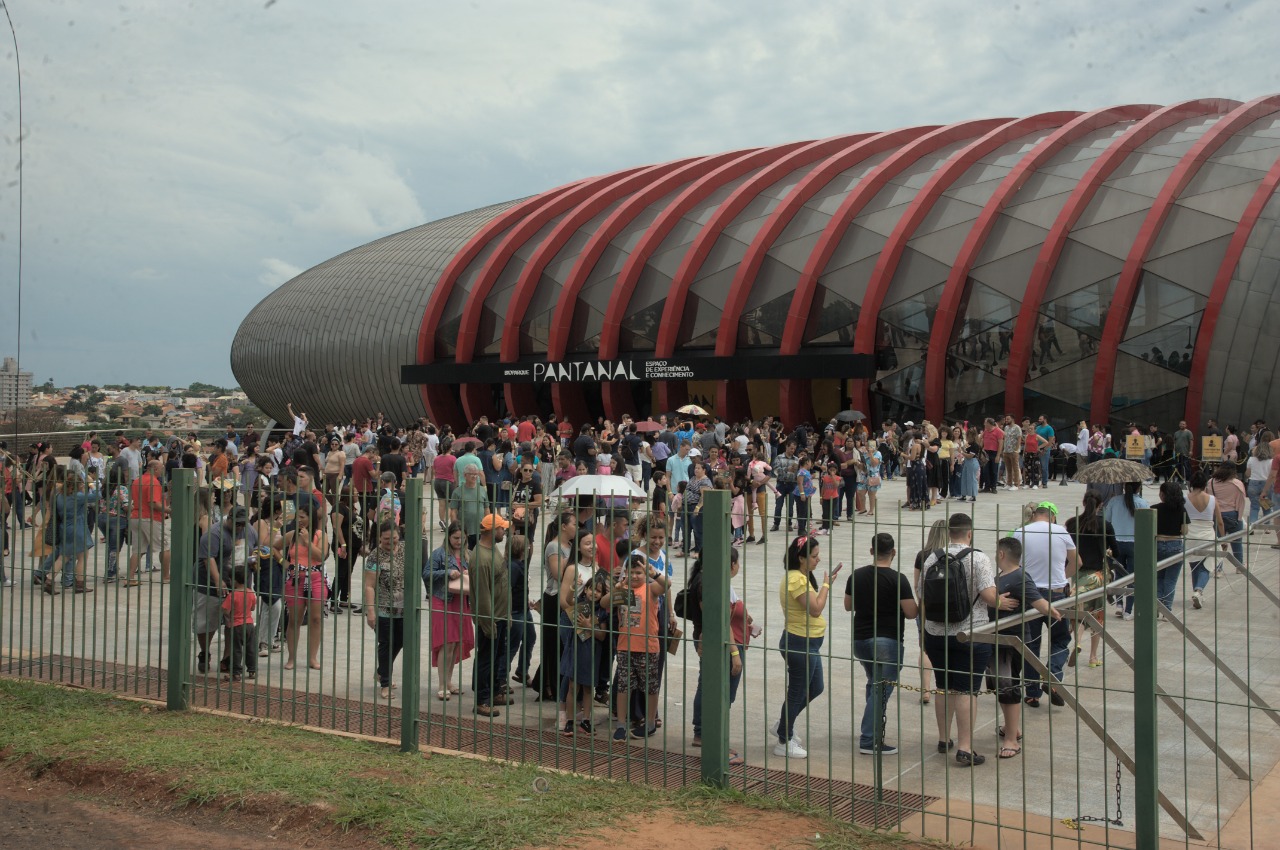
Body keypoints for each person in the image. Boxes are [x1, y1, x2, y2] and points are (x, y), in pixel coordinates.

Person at [918, 513, 1010, 766]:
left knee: (943, 684)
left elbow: (922, 597)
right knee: (968, 689)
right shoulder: (978, 558)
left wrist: (923, 634)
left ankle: (943, 738)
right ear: (969, 533)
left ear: (949, 532)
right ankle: (966, 747)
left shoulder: (931, 559)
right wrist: (1005, 602)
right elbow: (990, 597)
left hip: (935, 633)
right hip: (971, 634)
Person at [988, 537, 1062, 757]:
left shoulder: (1020, 576)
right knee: (1000, 686)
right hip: (997, 639)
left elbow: (1038, 602)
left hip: (1011, 641)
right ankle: (1012, 729)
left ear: (1001, 554)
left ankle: (1011, 740)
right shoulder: (1002, 576)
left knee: (1008, 687)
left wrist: (1057, 613)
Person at [844, 532, 916, 755]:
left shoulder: (856, 575)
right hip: (888, 641)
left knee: (874, 684)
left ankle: (873, 728)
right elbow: (911, 612)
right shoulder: (898, 579)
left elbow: (849, 606)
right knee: (881, 690)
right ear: (893, 552)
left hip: (861, 640)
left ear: (872, 551)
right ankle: (869, 740)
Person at [773, 535, 843, 760]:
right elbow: (815, 608)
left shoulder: (802, 577)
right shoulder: (796, 580)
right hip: (799, 642)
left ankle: (784, 724)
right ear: (801, 558)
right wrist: (825, 585)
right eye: (814, 556)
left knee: (816, 686)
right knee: (797, 691)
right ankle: (784, 739)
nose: (818, 560)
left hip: (809, 642)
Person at [1011, 502, 1078, 707]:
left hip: (1029, 593)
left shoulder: (1020, 532)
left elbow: (1014, 565)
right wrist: (1063, 579)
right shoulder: (1061, 532)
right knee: (1060, 639)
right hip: (1057, 594)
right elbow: (1077, 562)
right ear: (1052, 517)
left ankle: (1031, 693)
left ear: (1034, 516)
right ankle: (1053, 675)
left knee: (1030, 645)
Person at [689, 548, 751, 765]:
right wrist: (735, 653)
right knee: (721, 693)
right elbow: (718, 622)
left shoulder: (708, 578)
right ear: (730, 563)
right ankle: (714, 741)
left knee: (707, 686)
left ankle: (703, 734)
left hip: (717, 640)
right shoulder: (709, 582)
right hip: (720, 644)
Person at [612, 553, 671, 741]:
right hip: (625, 646)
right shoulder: (622, 589)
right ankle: (621, 724)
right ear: (625, 573)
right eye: (632, 572)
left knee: (650, 687)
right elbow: (605, 602)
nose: (635, 576)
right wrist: (616, 590)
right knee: (624, 687)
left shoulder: (651, 589)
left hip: (648, 646)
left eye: (639, 572)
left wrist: (652, 572)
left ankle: (651, 722)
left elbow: (666, 585)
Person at [1063, 490, 1115, 667]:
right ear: (1100, 505)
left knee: (1079, 610)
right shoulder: (1105, 525)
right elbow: (1115, 549)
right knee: (1097, 614)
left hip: (1077, 573)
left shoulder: (1071, 524)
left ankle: (1077, 641)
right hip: (1098, 574)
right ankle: (1093, 657)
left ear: (1084, 503)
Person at [424, 521, 474, 700]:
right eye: (455, 538)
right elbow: (427, 573)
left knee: (456, 643)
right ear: (448, 536)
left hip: (462, 602)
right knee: (447, 642)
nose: (459, 541)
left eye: (462, 538)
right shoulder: (439, 553)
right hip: (443, 601)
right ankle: (442, 684)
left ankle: (449, 681)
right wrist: (447, 573)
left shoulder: (469, 555)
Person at [531, 511, 577, 702]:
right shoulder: (553, 546)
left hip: (569, 598)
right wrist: (573, 558)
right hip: (554, 597)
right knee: (552, 643)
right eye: (574, 524)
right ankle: (547, 685)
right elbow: (558, 574)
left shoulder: (571, 545)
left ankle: (557, 682)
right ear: (564, 526)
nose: (576, 528)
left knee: (564, 643)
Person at [470, 513, 512, 718]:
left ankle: (494, 692)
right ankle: (482, 700)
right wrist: (488, 623)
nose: (504, 531)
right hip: (491, 618)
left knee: (496, 657)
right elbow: (482, 595)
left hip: (501, 615)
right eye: (502, 528)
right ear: (492, 530)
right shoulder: (481, 558)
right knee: (486, 659)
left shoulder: (493, 549)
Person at [277, 503, 326, 670]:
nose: (299, 520)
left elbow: (321, 556)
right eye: (297, 517)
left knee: (316, 619)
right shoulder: (291, 535)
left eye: (303, 517)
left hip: (316, 579)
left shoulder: (320, 535)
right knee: (294, 619)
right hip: (295, 580)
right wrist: (284, 562)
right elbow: (271, 545)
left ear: (310, 518)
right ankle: (291, 658)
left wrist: (307, 541)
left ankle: (312, 658)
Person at [363, 521, 407, 699]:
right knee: (386, 644)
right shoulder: (374, 556)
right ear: (380, 538)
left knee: (401, 641)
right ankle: (385, 684)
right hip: (383, 608)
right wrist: (371, 611)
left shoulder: (405, 550)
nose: (391, 542)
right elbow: (369, 586)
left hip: (404, 607)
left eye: (394, 538)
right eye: (387, 539)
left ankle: (381, 671)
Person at [126, 459, 170, 586]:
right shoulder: (154, 482)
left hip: (136, 516)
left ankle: (130, 577)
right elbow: (153, 503)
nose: (162, 470)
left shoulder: (137, 480)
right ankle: (166, 576)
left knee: (138, 549)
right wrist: (169, 510)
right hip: (150, 518)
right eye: (161, 468)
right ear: (155, 469)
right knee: (165, 547)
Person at [1184, 471, 1224, 610]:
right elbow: (1219, 522)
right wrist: (1223, 539)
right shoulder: (1212, 499)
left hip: (1190, 534)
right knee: (1207, 566)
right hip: (1207, 535)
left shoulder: (1185, 498)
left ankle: (1196, 591)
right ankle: (1199, 590)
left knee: (1194, 564)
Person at [506, 534, 537, 689]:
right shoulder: (513, 566)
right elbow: (508, 589)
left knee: (530, 637)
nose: (529, 548)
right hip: (516, 611)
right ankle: (501, 678)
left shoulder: (519, 564)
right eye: (527, 546)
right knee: (512, 645)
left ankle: (522, 670)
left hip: (523, 609)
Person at [1154, 481, 1190, 614]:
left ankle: (1156, 607)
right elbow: (1185, 531)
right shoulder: (1181, 509)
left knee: (1158, 578)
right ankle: (1167, 609)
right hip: (1175, 545)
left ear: (1163, 495)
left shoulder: (1154, 508)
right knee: (1171, 580)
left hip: (1158, 544)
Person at [221, 564, 258, 683]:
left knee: (236, 649)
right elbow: (252, 608)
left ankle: (236, 673)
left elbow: (226, 610)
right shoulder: (250, 593)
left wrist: (229, 615)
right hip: (249, 624)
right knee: (250, 648)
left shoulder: (232, 596)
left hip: (236, 625)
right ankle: (252, 670)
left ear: (235, 581)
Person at [1207, 462, 1245, 567]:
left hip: (1216, 514)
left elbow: (1209, 498)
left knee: (1218, 543)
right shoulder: (1237, 483)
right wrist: (1239, 517)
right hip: (1233, 513)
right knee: (1237, 542)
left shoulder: (1211, 482)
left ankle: (1218, 568)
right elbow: (1241, 501)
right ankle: (1239, 566)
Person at [449, 465, 489, 550]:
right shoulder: (457, 492)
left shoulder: (482, 490)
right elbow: (453, 511)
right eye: (471, 474)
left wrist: (487, 526)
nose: (474, 476)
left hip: (480, 530)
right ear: (465, 475)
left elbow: (486, 509)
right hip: (465, 531)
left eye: (476, 474)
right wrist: (456, 528)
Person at [1245, 435, 1273, 526]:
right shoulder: (1271, 461)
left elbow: (1247, 474)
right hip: (1267, 485)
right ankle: (1267, 527)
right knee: (1267, 507)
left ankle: (1252, 526)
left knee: (1254, 506)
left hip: (1253, 483)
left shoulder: (1251, 459)